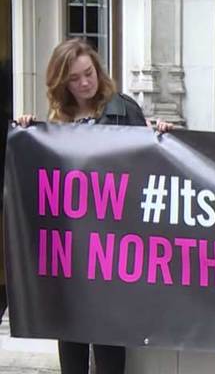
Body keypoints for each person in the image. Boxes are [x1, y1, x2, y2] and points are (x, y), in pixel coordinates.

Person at [17, 38, 171, 374]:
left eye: (89, 73)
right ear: (62, 83)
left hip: (112, 249)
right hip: (70, 252)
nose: (86, 82)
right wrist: (28, 132)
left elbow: (147, 167)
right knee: (70, 340)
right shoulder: (57, 120)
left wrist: (162, 136)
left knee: (109, 345)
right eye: (75, 78)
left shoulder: (123, 109)